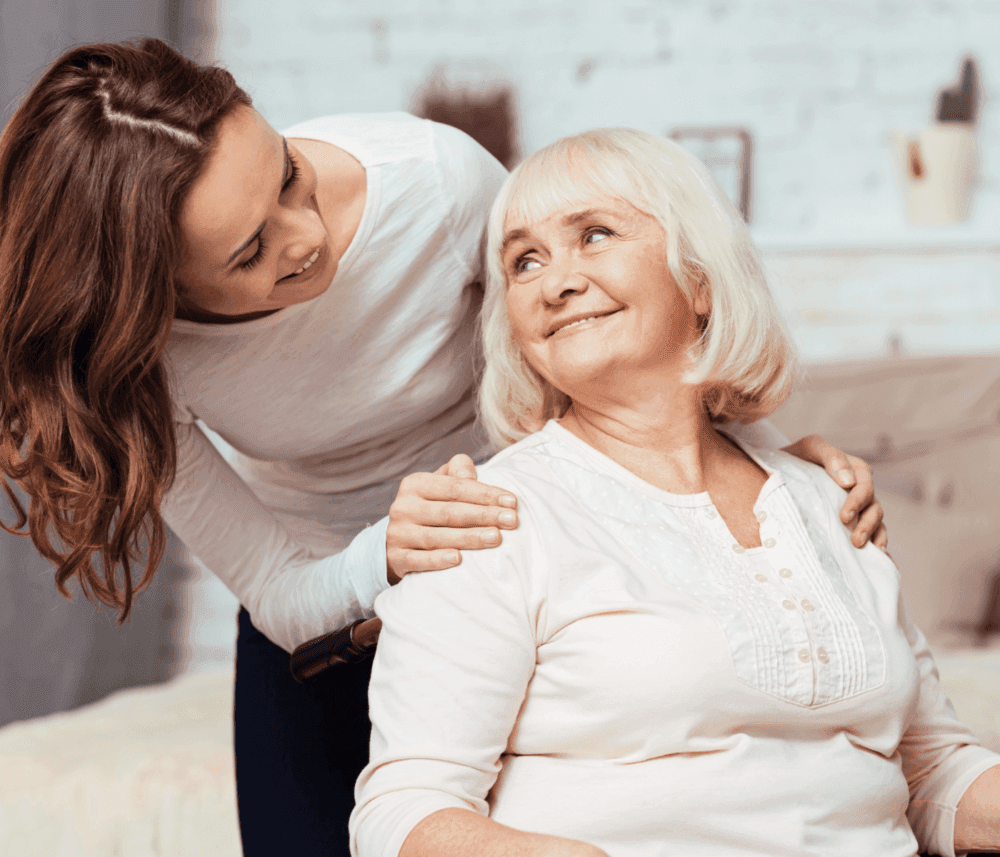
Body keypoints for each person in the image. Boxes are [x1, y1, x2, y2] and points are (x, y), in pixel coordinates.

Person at [0, 41, 884, 857]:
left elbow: (588, 340)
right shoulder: (128, 365)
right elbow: (276, 588)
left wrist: (768, 470)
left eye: (289, 174)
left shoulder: (432, 180)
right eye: (251, 252)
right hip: (326, 606)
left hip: (517, 567)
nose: (306, 235)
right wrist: (382, 554)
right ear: (151, 296)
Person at [350, 128, 1000, 857]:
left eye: (594, 235)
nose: (553, 281)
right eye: (524, 261)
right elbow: (402, 811)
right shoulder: (490, 516)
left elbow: (935, 769)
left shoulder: (825, 497)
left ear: (698, 275)